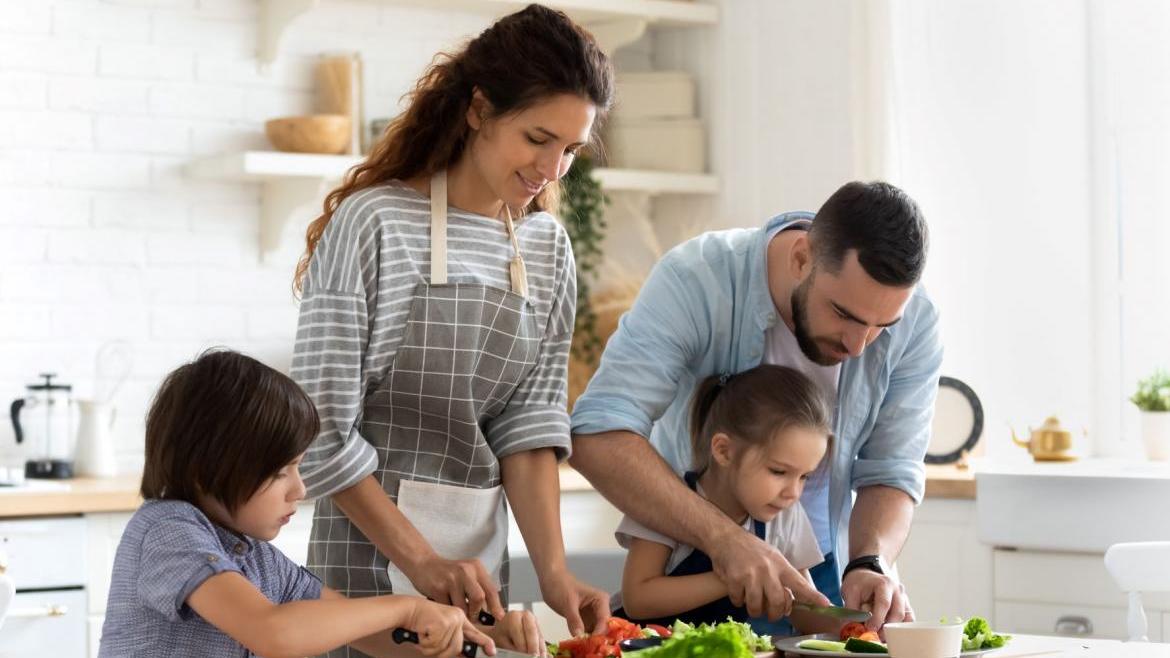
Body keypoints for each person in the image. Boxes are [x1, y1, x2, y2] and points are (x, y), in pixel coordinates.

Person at [290, 5, 615, 651]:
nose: (552, 169)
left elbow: (528, 422)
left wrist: (554, 574)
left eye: (571, 149)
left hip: (478, 576)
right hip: (364, 570)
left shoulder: (547, 248)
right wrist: (422, 561)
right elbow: (323, 428)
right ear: (478, 111)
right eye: (537, 138)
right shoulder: (375, 223)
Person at [570, 181, 941, 631]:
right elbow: (598, 434)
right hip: (688, 539)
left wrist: (871, 561)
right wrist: (726, 541)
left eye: (883, 326)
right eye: (844, 314)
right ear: (801, 256)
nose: (858, 345)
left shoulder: (917, 321)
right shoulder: (698, 277)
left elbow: (891, 470)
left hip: (821, 565)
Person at [99, 349, 540, 658]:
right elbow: (273, 633)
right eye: (278, 473)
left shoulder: (261, 561)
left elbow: (369, 632)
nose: (300, 489)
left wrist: (481, 632)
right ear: (206, 469)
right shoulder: (168, 531)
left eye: (297, 467)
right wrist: (408, 606)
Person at [613, 366, 830, 634]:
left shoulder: (786, 516)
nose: (793, 493)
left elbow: (806, 611)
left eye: (804, 477)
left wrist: (856, 622)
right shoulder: (666, 503)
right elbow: (638, 600)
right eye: (779, 471)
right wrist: (733, 575)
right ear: (724, 451)